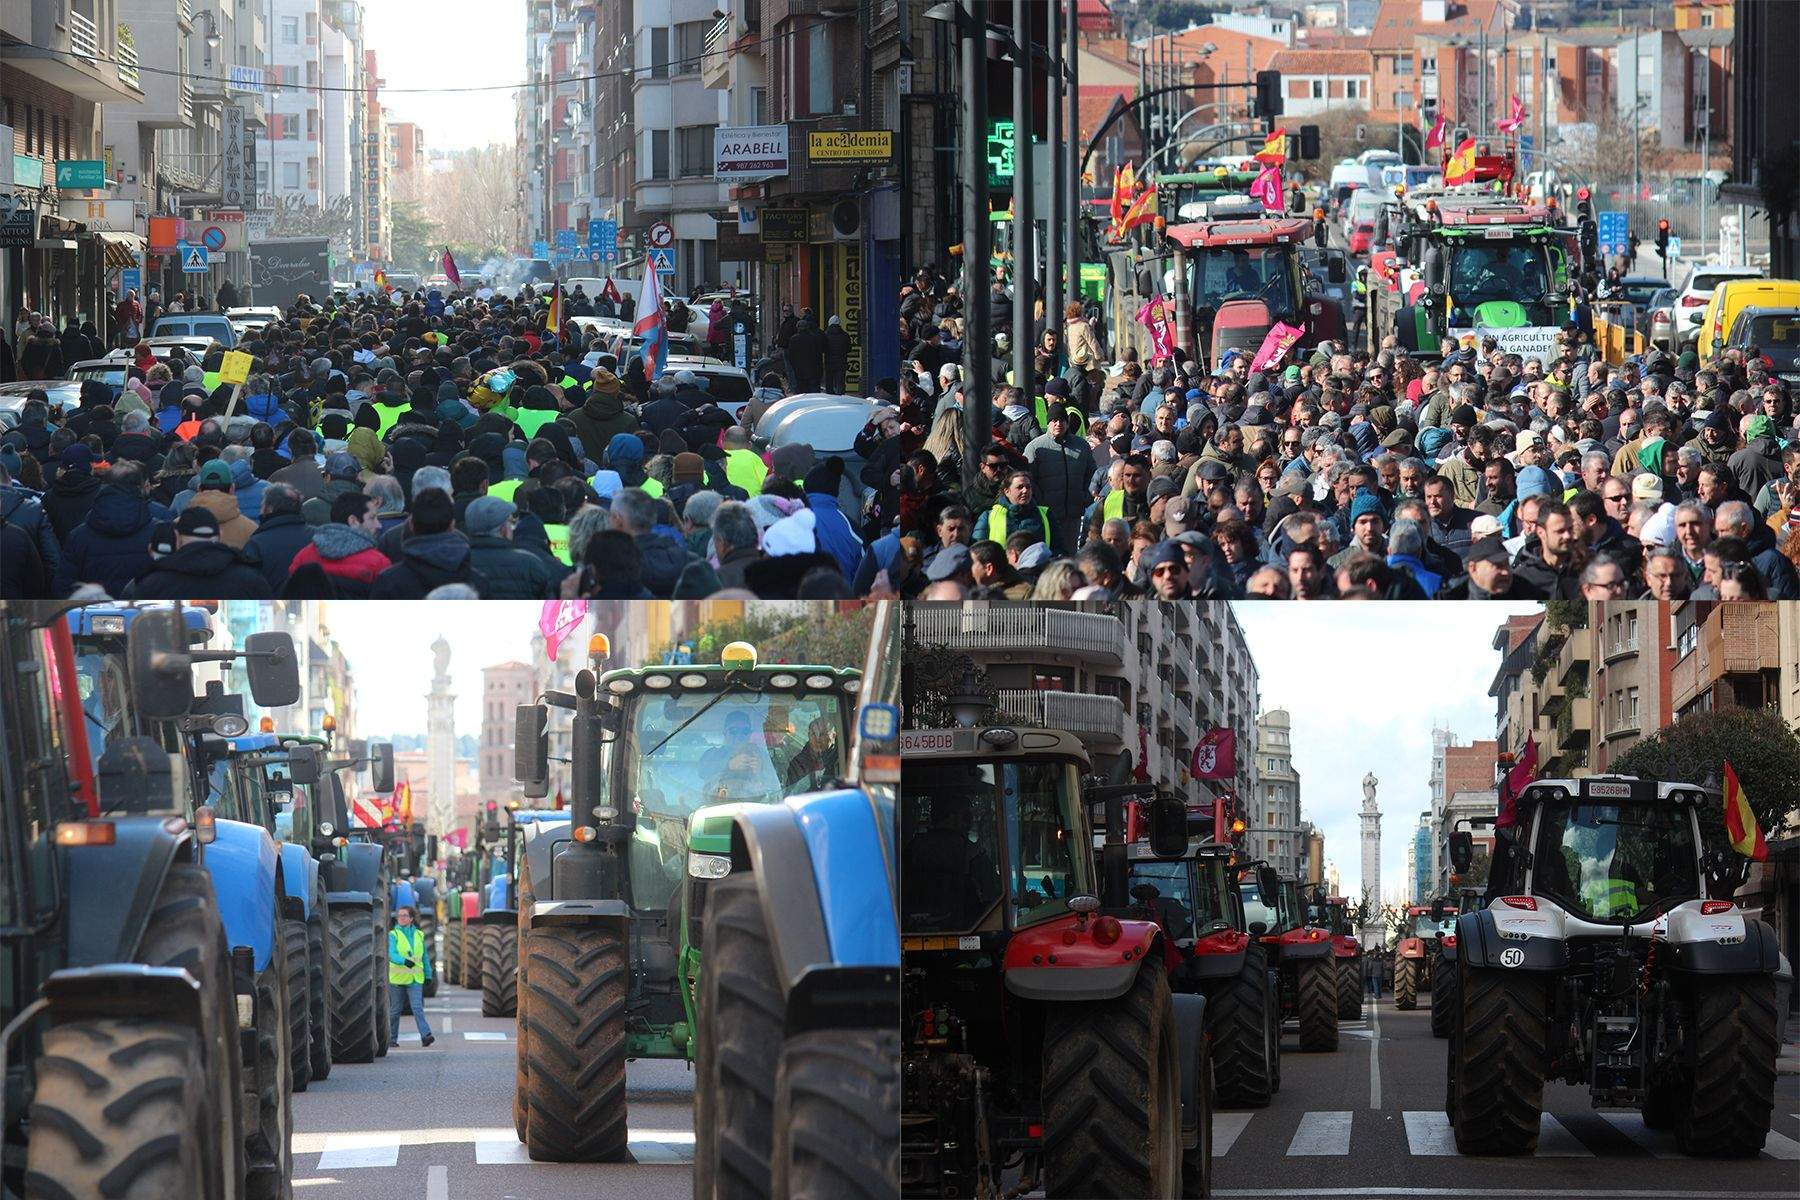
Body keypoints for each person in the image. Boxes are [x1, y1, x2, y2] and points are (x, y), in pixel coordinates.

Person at [386, 906, 436, 1049]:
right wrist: (403, 961)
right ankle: (391, 1039)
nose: (401, 918)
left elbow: (424, 957)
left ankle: (426, 1036)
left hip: (415, 979)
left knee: (417, 1008)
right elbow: (391, 954)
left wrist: (428, 975)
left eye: (404, 915)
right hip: (397, 980)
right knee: (395, 1011)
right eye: (399, 915)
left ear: (411, 919)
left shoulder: (419, 935)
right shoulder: (393, 935)